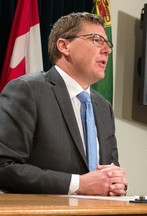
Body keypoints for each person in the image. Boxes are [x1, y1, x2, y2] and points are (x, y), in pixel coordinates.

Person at [0, 12, 128, 195]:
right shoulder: (28, 90)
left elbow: (109, 170)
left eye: (107, 44)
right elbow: (4, 166)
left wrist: (116, 182)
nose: (107, 50)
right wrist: (78, 184)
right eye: (96, 40)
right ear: (64, 45)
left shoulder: (103, 107)